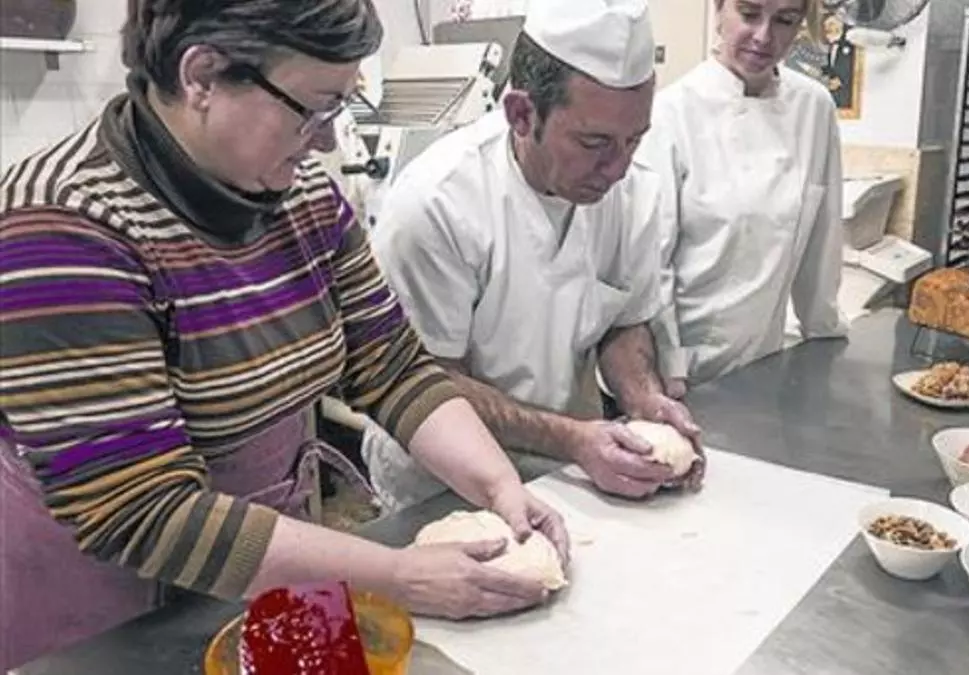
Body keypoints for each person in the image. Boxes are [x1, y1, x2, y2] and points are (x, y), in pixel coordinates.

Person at [0, 0, 569, 668]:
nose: (326, 142)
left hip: (284, 553)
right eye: (317, 108)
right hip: (112, 603)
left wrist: (500, 486)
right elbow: (141, 508)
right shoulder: (60, 226)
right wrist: (397, 575)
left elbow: (392, 366)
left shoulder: (301, 197)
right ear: (203, 75)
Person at [366, 0, 705, 503]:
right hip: (444, 482)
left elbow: (623, 321)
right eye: (594, 142)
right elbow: (429, 381)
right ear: (522, 114)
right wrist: (572, 438)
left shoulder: (631, 191)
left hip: (571, 467)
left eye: (634, 140)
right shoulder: (437, 204)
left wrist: (643, 399)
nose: (617, 168)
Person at [642, 0, 849, 396]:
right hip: (679, 373)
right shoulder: (672, 113)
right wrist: (670, 373)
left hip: (764, 365)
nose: (764, 37)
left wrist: (825, 347)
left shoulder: (814, 108)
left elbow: (821, 244)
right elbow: (652, 264)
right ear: (719, 9)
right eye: (749, 14)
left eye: (785, 20)